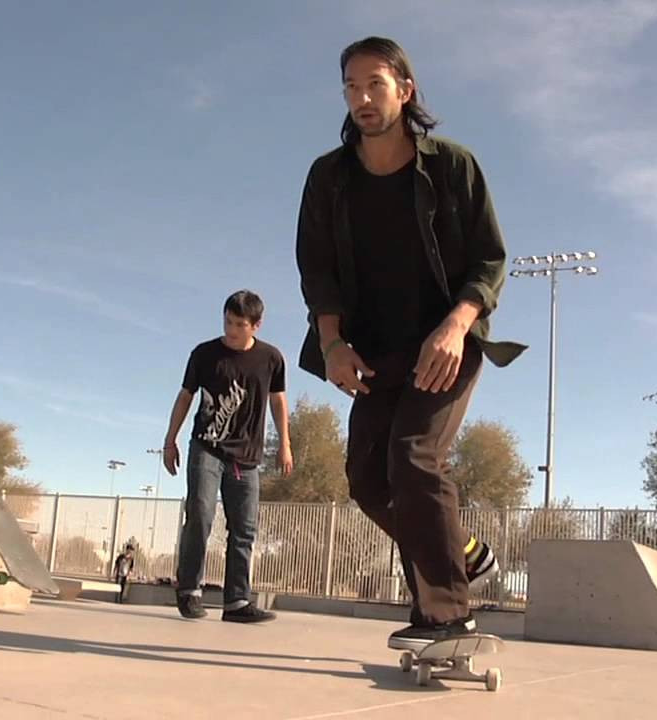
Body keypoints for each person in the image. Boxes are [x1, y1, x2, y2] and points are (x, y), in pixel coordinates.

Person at [294, 36, 527, 650]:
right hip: (372, 350)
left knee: (415, 457)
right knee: (368, 480)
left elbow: (490, 258)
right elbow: (316, 270)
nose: (361, 98)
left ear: (405, 89)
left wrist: (456, 327)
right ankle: (464, 554)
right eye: (350, 87)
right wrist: (333, 343)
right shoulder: (329, 177)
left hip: (444, 340)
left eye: (374, 84)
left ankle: (448, 618)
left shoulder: (452, 166)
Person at [161, 290, 293, 623]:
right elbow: (185, 397)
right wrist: (170, 440)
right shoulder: (204, 354)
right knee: (201, 514)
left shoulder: (271, 359)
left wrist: (285, 444)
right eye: (227, 322)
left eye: (239, 325)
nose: (231, 330)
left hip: (246, 456)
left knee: (245, 529)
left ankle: (236, 603)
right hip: (207, 447)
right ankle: (189, 590)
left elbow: (278, 400)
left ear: (256, 326)